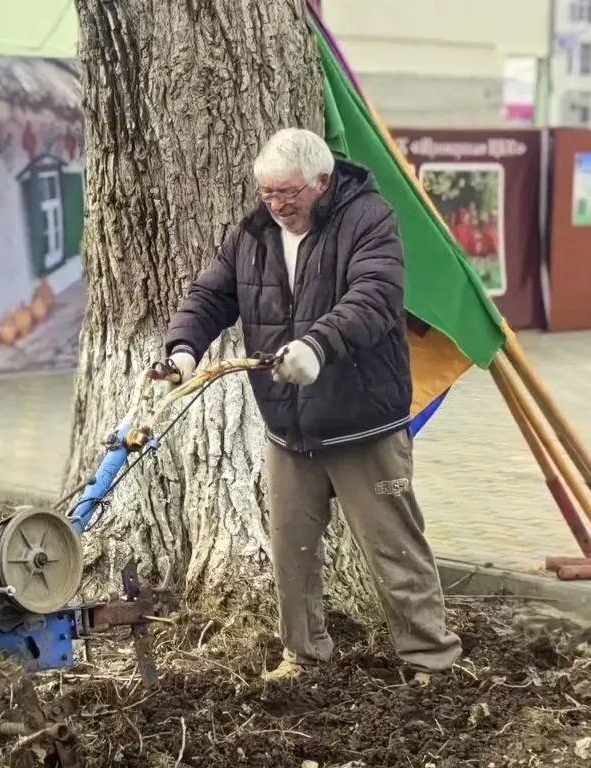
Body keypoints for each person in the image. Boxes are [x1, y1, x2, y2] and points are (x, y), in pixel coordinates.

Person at [162, 128, 461, 682]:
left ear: (322, 182)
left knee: (393, 545)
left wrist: (318, 345)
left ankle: (431, 660)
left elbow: (374, 298)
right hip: (289, 427)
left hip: (363, 423)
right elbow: (211, 295)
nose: (277, 206)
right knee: (292, 552)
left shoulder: (369, 220)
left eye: (288, 194)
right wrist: (182, 349)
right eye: (268, 194)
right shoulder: (253, 233)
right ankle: (303, 656)